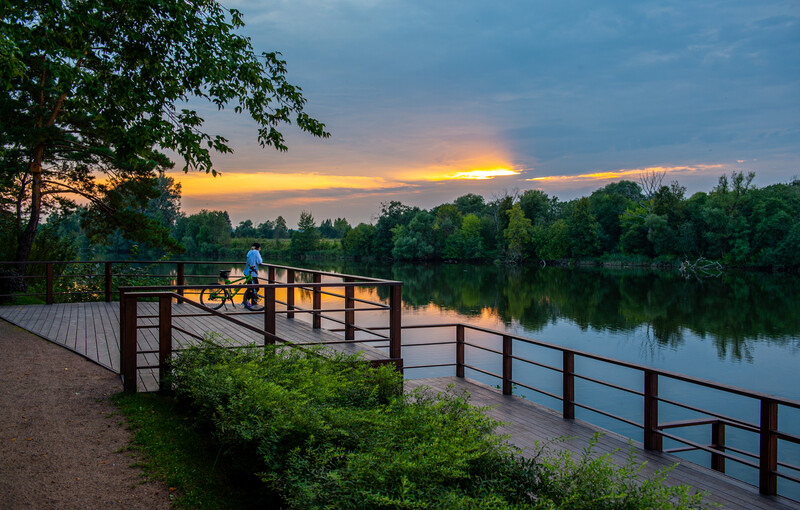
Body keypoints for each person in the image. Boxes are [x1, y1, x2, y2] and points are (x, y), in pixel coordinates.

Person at [243, 242, 262, 308]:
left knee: (250, 287)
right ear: (258, 248)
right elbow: (260, 261)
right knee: (256, 288)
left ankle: (246, 302)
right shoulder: (256, 252)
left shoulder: (250, 252)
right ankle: (245, 301)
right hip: (252, 273)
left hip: (247, 272)